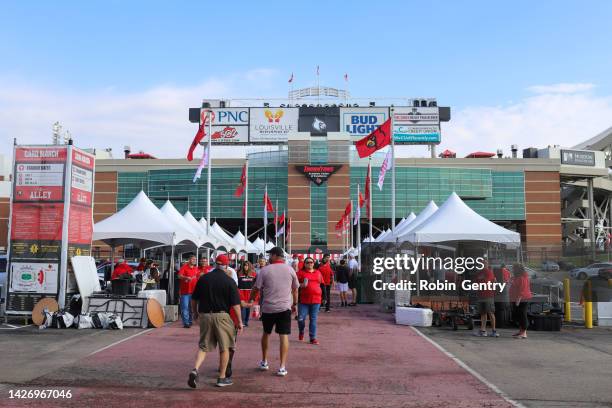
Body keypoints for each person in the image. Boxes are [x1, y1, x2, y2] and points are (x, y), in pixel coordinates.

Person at [188, 254, 243, 388]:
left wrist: (195, 313)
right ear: (226, 265)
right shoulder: (229, 281)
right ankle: (222, 378)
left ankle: (195, 369)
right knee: (225, 347)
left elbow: (194, 299)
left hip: (205, 316)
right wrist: (240, 322)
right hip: (222, 316)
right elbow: (236, 305)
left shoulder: (204, 278)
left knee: (203, 346)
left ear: (214, 264)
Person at [249, 246, 299, 377]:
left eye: (270, 255)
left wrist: (251, 300)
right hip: (284, 308)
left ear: (276, 255)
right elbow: (295, 290)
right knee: (284, 336)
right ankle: (282, 367)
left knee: (266, 333)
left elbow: (256, 288)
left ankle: (264, 361)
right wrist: (295, 304)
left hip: (268, 308)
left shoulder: (264, 270)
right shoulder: (290, 270)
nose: (268, 257)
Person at [297, 257, 323, 344]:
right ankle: (301, 331)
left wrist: (325, 297)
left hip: (316, 300)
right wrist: (302, 285)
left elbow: (322, 285)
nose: (310, 264)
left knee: (313, 319)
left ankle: (313, 337)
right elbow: (294, 285)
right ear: (304, 264)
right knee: (301, 319)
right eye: (307, 262)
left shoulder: (318, 273)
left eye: (311, 262)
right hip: (303, 300)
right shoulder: (300, 273)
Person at [474, 261, 499, 337]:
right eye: (481, 264)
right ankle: (483, 331)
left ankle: (494, 331)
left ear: (487, 264)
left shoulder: (489, 272)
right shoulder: (478, 273)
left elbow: (489, 282)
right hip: (481, 295)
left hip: (488, 295)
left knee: (490, 312)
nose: (483, 265)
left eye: (484, 263)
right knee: (483, 313)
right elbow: (476, 283)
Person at [510, 263, 532, 339]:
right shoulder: (517, 277)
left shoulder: (522, 277)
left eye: (513, 269)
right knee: (518, 315)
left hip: (522, 299)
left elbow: (522, 289)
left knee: (522, 314)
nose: (512, 270)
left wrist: (518, 299)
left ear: (517, 269)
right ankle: (521, 331)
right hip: (516, 298)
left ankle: (524, 333)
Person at [177, 255, 199, 328]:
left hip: (194, 291)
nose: (194, 260)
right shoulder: (184, 267)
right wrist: (186, 277)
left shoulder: (196, 268)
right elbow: (179, 276)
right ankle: (186, 323)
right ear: (189, 260)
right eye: (193, 259)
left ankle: (190, 321)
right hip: (185, 292)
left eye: (195, 259)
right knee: (185, 307)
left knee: (191, 308)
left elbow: (198, 277)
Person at [238, 261, 257, 327]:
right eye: (244, 265)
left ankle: (246, 321)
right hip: (241, 293)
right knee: (243, 308)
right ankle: (243, 322)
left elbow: (255, 285)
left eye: (247, 265)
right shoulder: (239, 274)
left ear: (249, 266)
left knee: (248, 308)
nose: (245, 267)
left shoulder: (253, 274)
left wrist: (254, 296)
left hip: (250, 293)